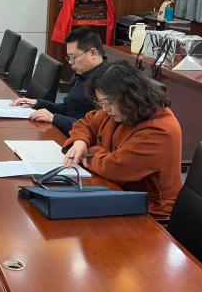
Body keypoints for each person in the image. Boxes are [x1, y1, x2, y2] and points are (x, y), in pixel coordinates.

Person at [61, 61, 183, 218]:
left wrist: (89, 151)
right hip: (118, 192)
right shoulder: (121, 109)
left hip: (149, 210)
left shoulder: (159, 130)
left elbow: (115, 167)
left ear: (130, 96)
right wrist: (80, 142)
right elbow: (87, 122)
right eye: (101, 103)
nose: (105, 109)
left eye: (108, 103)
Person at [13, 27, 105, 134]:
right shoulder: (80, 75)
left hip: (80, 139)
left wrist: (54, 118)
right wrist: (37, 103)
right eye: (69, 57)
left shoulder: (105, 83)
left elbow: (96, 128)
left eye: (74, 57)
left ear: (93, 53)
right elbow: (68, 108)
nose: (70, 62)